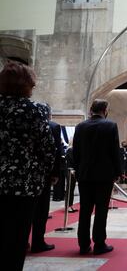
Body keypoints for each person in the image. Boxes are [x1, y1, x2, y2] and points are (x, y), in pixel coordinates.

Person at [0, 61, 55, 270]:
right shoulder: (31, 110)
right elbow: (47, 148)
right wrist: (45, 173)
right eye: (31, 85)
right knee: (16, 238)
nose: (33, 89)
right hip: (22, 186)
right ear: (23, 85)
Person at [73, 99, 122, 255]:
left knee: (85, 211)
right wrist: (118, 172)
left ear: (91, 110)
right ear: (105, 110)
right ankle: (99, 244)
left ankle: (83, 244)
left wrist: (78, 171)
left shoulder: (80, 126)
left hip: (85, 175)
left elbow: (76, 152)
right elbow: (115, 151)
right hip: (104, 176)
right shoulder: (111, 126)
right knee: (101, 211)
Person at [30, 103, 62, 253]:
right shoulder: (53, 126)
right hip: (41, 174)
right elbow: (54, 151)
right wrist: (55, 173)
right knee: (41, 210)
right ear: (49, 114)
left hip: (18, 175)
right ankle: (38, 241)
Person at [65, 138, 78, 213]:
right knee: (70, 189)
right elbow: (72, 161)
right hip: (70, 171)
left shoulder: (72, 149)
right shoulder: (70, 150)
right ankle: (68, 206)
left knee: (71, 189)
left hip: (72, 171)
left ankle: (70, 205)